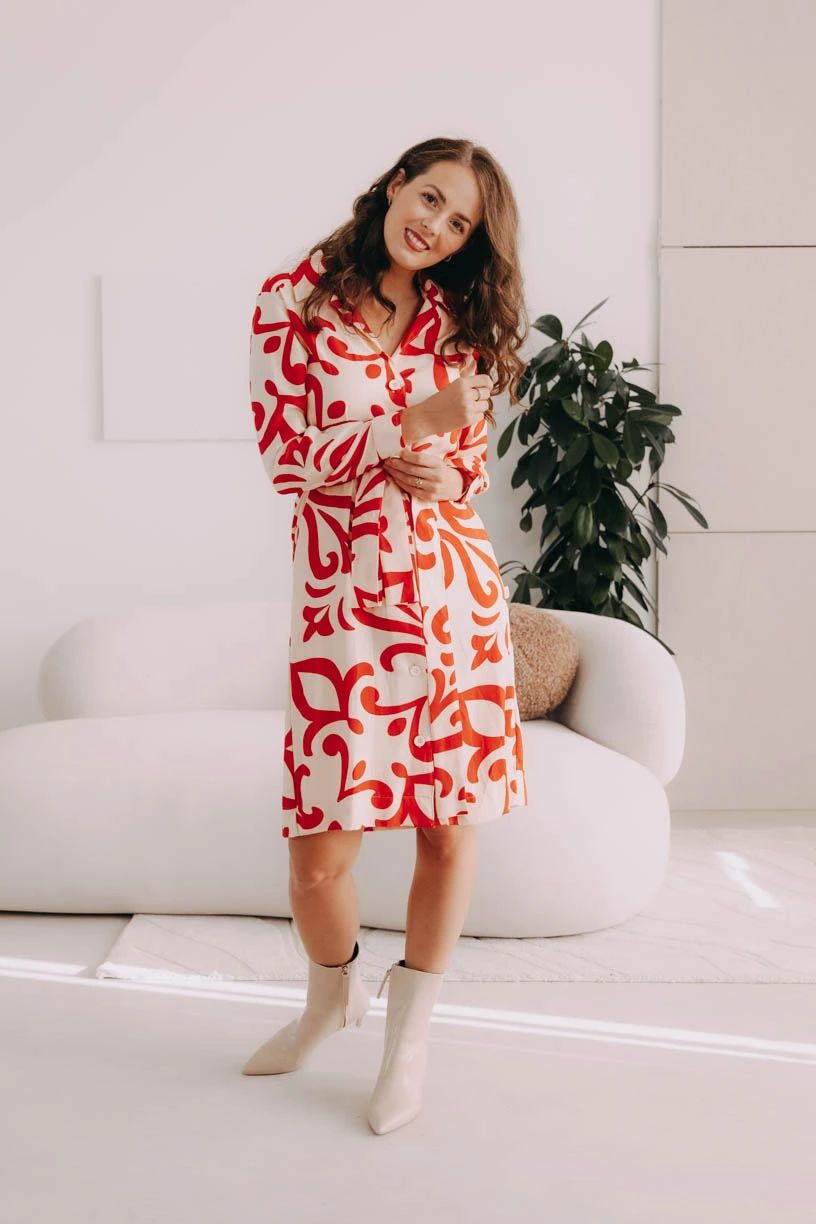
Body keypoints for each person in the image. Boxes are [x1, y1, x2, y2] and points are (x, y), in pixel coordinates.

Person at [243, 136, 529, 1134]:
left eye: (459, 224)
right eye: (431, 198)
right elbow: (285, 458)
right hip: (344, 611)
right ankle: (331, 998)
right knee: (318, 861)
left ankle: (409, 1045)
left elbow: (468, 466)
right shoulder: (292, 302)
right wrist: (406, 424)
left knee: (447, 831)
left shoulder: (457, 320)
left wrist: (448, 469)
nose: (435, 227)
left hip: (450, 598)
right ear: (395, 185)